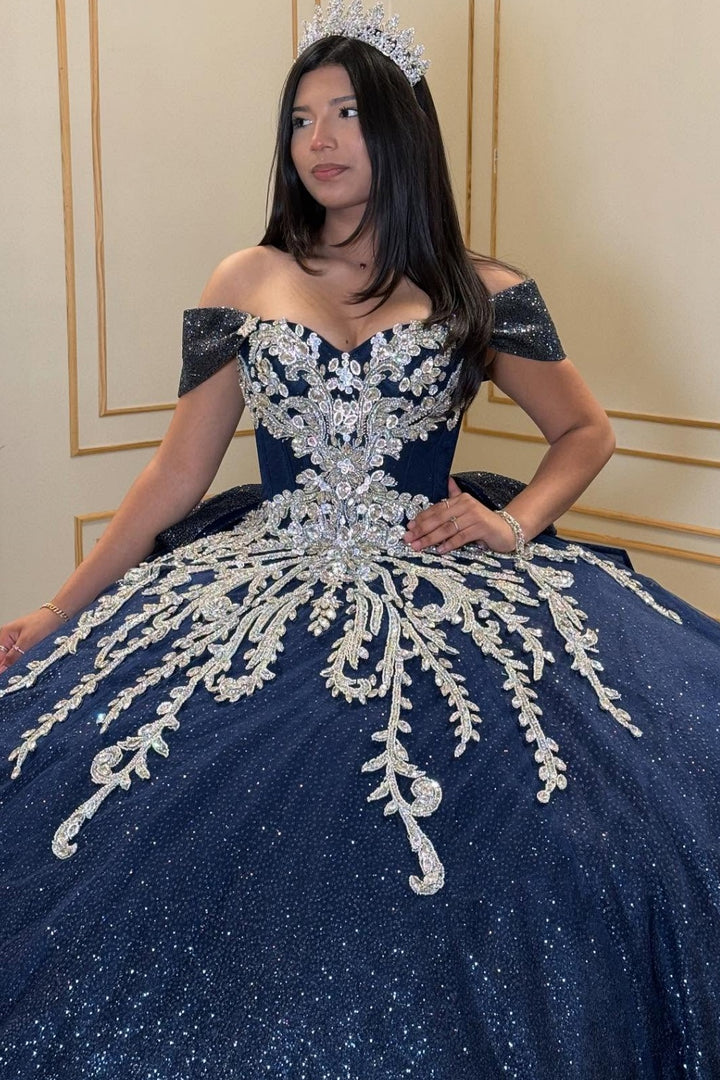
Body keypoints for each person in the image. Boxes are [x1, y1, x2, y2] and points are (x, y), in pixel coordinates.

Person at [1, 3, 718, 1076]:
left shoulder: (483, 289)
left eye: (346, 114)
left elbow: (586, 432)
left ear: (401, 129)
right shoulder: (245, 278)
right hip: (260, 578)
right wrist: (59, 609)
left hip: (439, 580)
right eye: (301, 120)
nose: (320, 141)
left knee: (539, 841)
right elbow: (177, 475)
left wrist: (513, 521)